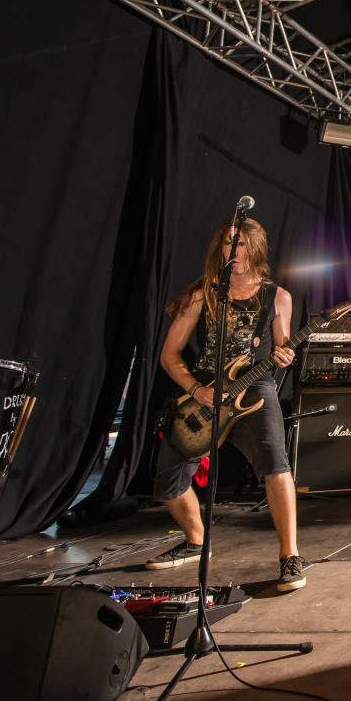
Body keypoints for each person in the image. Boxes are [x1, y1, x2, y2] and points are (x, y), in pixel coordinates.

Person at [144, 217, 307, 591]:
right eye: (228, 242)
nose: (233, 249)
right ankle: (195, 540)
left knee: (276, 465)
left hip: (254, 388)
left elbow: (283, 344)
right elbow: (169, 354)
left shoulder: (278, 297)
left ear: (256, 248)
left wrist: (285, 356)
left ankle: (290, 556)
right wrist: (195, 389)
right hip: (204, 390)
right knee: (167, 480)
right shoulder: (202, 294)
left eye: (241, 243)